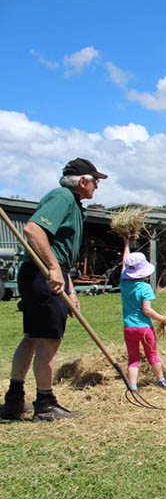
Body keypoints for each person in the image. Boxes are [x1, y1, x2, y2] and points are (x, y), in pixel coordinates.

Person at [1, 158, 106, 421]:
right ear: (83, 181)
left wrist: (70, 289)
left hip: (42, 274)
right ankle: (45, 405)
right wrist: (52, 268)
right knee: (48, 340)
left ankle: (14, 401)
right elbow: (33, 229)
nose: (97, 187)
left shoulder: (73, 204)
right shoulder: (62, 197)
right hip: (41, 275)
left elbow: (62, 255)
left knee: (33, 337)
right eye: (95, 181)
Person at [120, 240, 166, 391]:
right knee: (152, 356)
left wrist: (126, 245)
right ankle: (161, 380)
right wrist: (163, 318)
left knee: (133, 359)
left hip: (128, 329)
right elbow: (147, 310)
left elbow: (124, 265)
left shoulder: (123, 283)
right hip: (144, 329)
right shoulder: (145, 288)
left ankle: (133, 386)